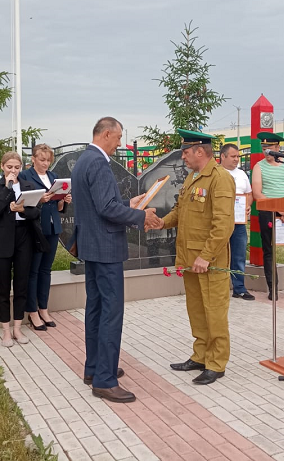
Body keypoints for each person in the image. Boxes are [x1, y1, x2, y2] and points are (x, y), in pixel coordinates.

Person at [71, 117, 159, 403]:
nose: (120, 143)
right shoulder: (98, 162)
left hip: (92, 246)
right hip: (105, 248)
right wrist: (140, 216)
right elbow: (106, 208)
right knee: (110, 312)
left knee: (96, 309)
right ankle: (105, 381)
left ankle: (95, 369)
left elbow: (101, 205)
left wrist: (129, 204)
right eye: (119, 137)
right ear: (106, 134)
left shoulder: (84, 160)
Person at [156, 129, 235, 385]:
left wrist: (207, 256)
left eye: (186, 152)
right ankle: (200, 356)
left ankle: (216, 363)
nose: (183, 156)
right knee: (197, 311)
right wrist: (160, 223)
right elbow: (180, 211)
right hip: (190, 260)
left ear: (200, 151)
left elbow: (223, 224)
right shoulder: (193, 177)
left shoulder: (219, 178)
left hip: (209, 262)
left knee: (214, 312)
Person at [0, 151, 45, 347]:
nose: (13, 170)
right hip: (3, 239)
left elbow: (36, 211)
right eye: (9, 167)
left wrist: (23, 210)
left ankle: (18, 328)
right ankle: (5, 330)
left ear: (21, 168)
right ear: (2, 166)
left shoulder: (29, 186)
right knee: (3, 287)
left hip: (24, 237)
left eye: (17, 167)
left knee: (21, 285)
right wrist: (7, 188)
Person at [19, 143, 72, 330]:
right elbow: (22, 203)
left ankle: (44, 308)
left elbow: (58, 207)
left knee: (45, 270)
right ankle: (32, 311)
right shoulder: (25, 176)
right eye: (42, 159)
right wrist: (40, 200)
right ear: (33, 159)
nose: (45, 163)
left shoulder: (53, 177)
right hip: (35, 227)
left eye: (48, 160)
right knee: (34, 270)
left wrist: (63, 200)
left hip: (52, 226)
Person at [251, 132, 284, 300]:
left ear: (278, 148)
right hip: (269, 213)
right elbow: (258, 193)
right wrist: (280, 210)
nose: (266, 151)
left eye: (269, 147)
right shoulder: (259, 167)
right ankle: (272, 287)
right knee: (269, 251)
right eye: (264, 147)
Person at [219, 143, 254, 300]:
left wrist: (247, 206)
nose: (236, 159)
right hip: (220, 221)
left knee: (239, 255)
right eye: (233, 156)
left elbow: (249, 194)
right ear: (223, 156)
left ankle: (239, 288)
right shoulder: (216, 173)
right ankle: (219, 287)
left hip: (238, 222)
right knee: (218, 254)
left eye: (238, 156)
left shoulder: (242, 174)